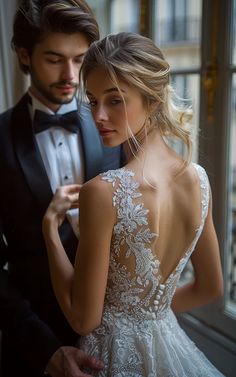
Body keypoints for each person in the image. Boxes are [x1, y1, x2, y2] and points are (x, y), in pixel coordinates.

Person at [42, 32, 225, 376]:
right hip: (171, 347)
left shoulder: (103, 191)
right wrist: (150, 316)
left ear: (153, 100)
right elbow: (210, 288)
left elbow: (84, 319)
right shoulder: (199, 179)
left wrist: (50, 230)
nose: (98, 115)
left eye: (115, 100)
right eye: (92, 100)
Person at [0, 1, 122, 377]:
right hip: (34, 346)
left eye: (80, 59)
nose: (71, 74)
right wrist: (45, 350)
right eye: (54, 59)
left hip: (116, 338)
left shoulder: (116, 123)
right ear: (25, 55)